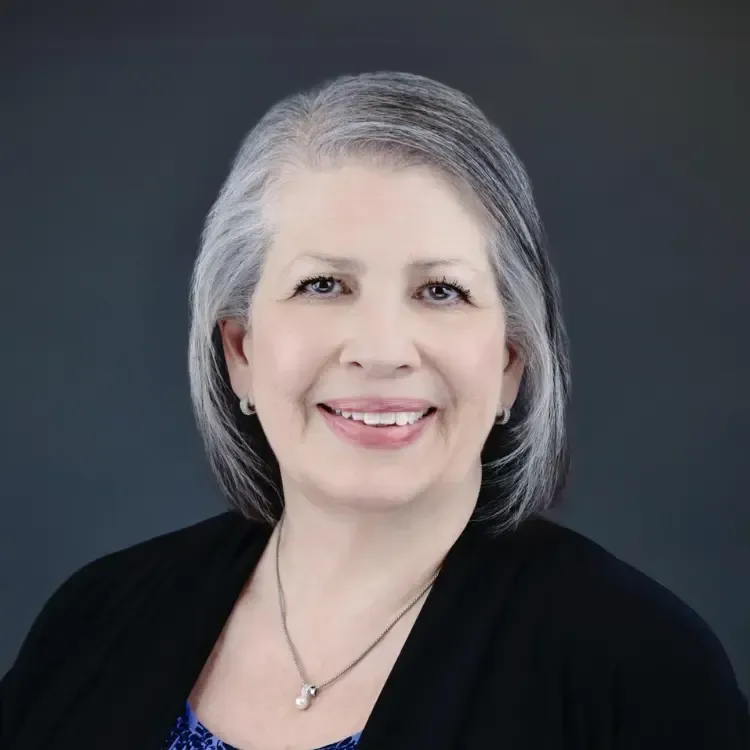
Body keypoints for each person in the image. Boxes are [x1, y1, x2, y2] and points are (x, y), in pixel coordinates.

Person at [1, 71, 748, 750]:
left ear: (511, 364)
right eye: (323, 285)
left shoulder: (640, 666)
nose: (382, 350)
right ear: (241, 352)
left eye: (441, 291)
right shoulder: (95, 617)